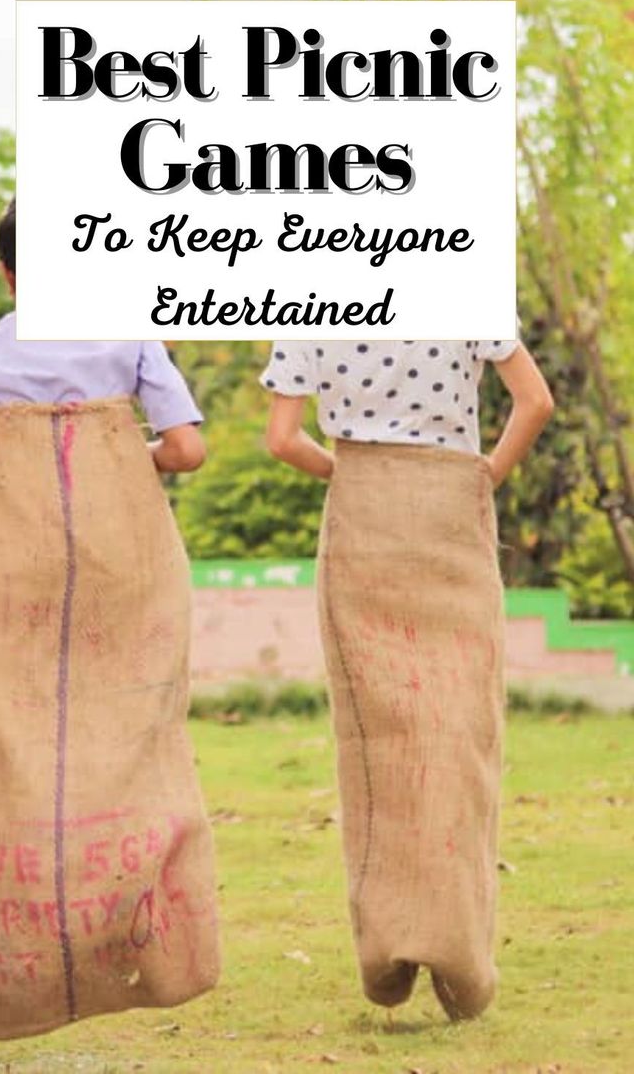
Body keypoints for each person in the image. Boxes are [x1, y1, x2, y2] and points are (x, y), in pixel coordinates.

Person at [0, 199, 220, 1040]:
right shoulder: (130, 337)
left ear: (7, 274)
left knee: (15, 733)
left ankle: (26, 947)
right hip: (128, 564)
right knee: (134, 727)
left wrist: (19, 468)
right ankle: (137, 927)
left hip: (18, 565)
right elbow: (188, 449)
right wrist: (118, 458)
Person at [260, 335, 554, 1021]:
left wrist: (348, 472)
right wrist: (489, 472)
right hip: (451, 503)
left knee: (376, 745)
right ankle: (462, 961)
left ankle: (385, 959)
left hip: (364, 511)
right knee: (460, 738)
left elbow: (282, 439)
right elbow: (534, 402)